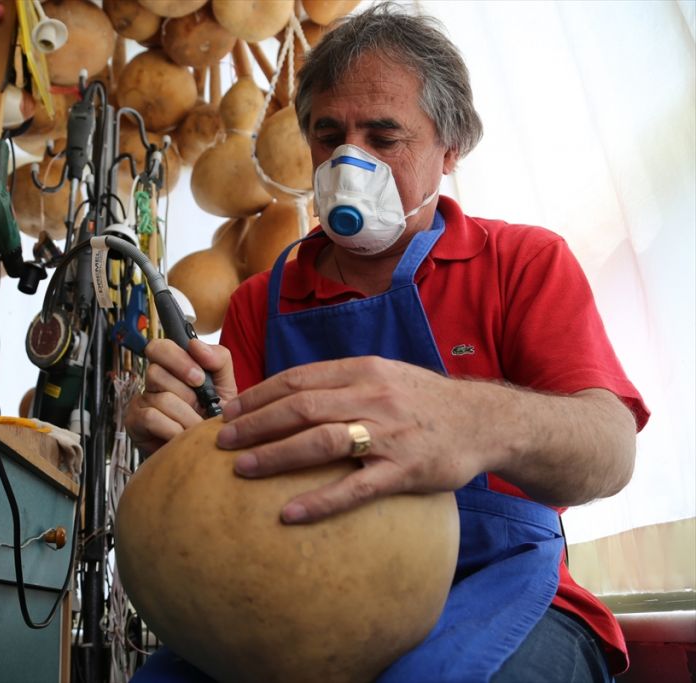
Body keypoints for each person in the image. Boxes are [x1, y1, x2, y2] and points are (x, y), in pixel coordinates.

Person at [124, 3, 649, 682]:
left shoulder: (520, 260)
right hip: (305, 601)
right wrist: (193, 439)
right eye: (329, 135)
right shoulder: (265, 299)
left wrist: (469, 418)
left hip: (503, 589)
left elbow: (610, 449)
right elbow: (237, 486)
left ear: (450, 147)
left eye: (383, 136)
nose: (351, 162)